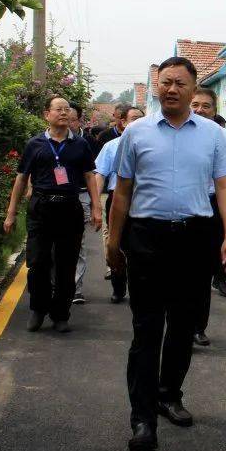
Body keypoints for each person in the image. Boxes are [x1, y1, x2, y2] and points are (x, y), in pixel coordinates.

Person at [105, 57, 226, 451]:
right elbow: (122, 192)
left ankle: (169, 394)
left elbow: (225, 187)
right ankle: (142, 420)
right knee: (146, 330)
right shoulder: (136, 133)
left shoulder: (214, 135)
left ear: (194, 88)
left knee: (182, 327)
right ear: (157, 86)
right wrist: (113, 242)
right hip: (147, 238)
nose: (172, 89)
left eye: (180, 83)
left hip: (195, 238)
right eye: (165, 82)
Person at [3, 95, 102, 333]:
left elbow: (89, 176)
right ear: (46, 114)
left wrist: (97, 208)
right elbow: (21, 178)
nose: (64, 113)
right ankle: (38, 309)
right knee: (38, 262)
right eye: (58, 109)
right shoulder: (35, 144)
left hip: (70, 208)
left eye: (67, 109)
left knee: (66, 264)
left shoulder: (80, 144)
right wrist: (11, 213)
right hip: (41, 207)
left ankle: (61, 314)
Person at [189, 86, 226, 346]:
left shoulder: (223, 136)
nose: (200, 110)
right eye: (195, 105)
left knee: (202, 271)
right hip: (180, 207)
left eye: (206, 106)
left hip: (211, 206)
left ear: (215, 110)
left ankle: (197, 327)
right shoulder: (175, 133)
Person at [94, 106, 144, 303]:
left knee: (139, 246)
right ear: (123, 122)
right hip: (118, 198)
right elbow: (100, 174)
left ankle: (139, 288)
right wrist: (96, 204)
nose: (138, 122)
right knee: (117, 243)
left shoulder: (153, 145)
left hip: (143, 199)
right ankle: (118, 286)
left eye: (141, 118)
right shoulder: (112, 146)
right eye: (134, 118)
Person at [69, 102, 102, 304]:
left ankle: (76, 288)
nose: (68, 122)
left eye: (72, 119)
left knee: (77, 243)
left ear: (79, 120)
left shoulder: (88, 142)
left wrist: (96, 205)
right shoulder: (47, 141)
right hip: (52, 200)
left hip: (81, 196)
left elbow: (94, 173)